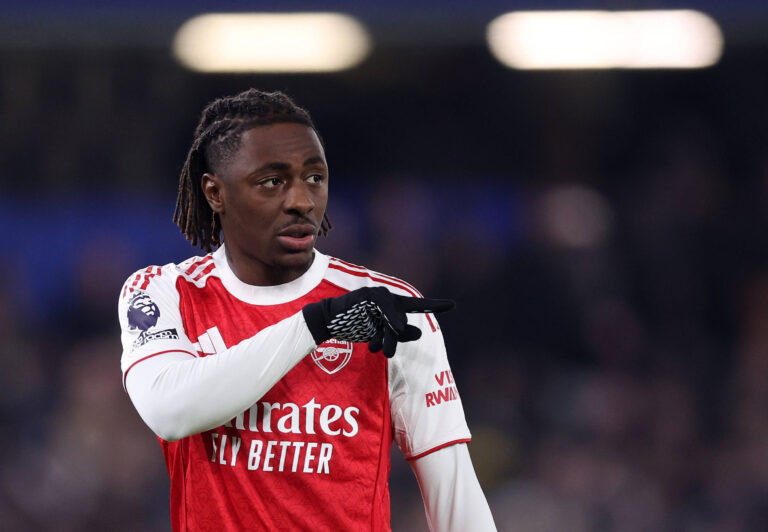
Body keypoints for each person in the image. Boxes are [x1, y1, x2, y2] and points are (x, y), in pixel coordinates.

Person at [118, 88, 496, 531]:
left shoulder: (391, 310)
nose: (302, 201)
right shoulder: (165, 292)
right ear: (215, 192)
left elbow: (454, 491)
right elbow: (171, 411)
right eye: (273, 181)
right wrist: (316, 324)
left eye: (315, 177)